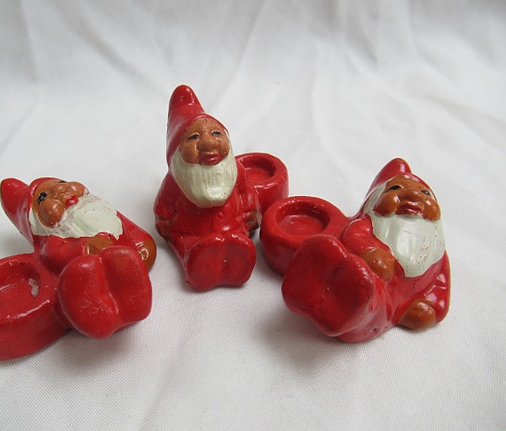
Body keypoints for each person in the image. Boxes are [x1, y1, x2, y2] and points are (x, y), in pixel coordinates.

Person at [282, 159, 450, 342]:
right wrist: (370, 252)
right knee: (358, 273)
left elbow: (441, 283)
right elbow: (355, 236)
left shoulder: (436, 249)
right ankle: (318, 274)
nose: (413, 196)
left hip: (385, 301)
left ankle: (345, 308)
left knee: (373, 302)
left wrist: (432, 308)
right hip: (361, 272)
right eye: (395, 189)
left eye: (425, 193)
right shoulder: (369, 224)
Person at [0, 177, 155, 339]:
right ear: (36, 221)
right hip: (93, 277)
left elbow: (130, 228)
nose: (60, 190)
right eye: (43, 197)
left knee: (125, 259)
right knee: (84, 270)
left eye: (61, 183)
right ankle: (96, 311)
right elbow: (57, 254)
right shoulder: (53, 239)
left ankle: (130, 292)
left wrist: (143, 245)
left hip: (123, 262)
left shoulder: (101, 209)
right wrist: (87, 248)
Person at [154, 85, 261, 290]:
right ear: (177, 152)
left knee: (236, 240)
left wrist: (251, 210)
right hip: (189, 233)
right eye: (193, 137)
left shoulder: (236, 171)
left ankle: (238, 256)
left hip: (234, 225)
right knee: (191, 248)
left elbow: (246, 192)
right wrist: (163, 221)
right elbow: (164, 206)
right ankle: (196, 261)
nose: (208, 144)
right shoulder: (175, 181)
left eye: (216, 133)